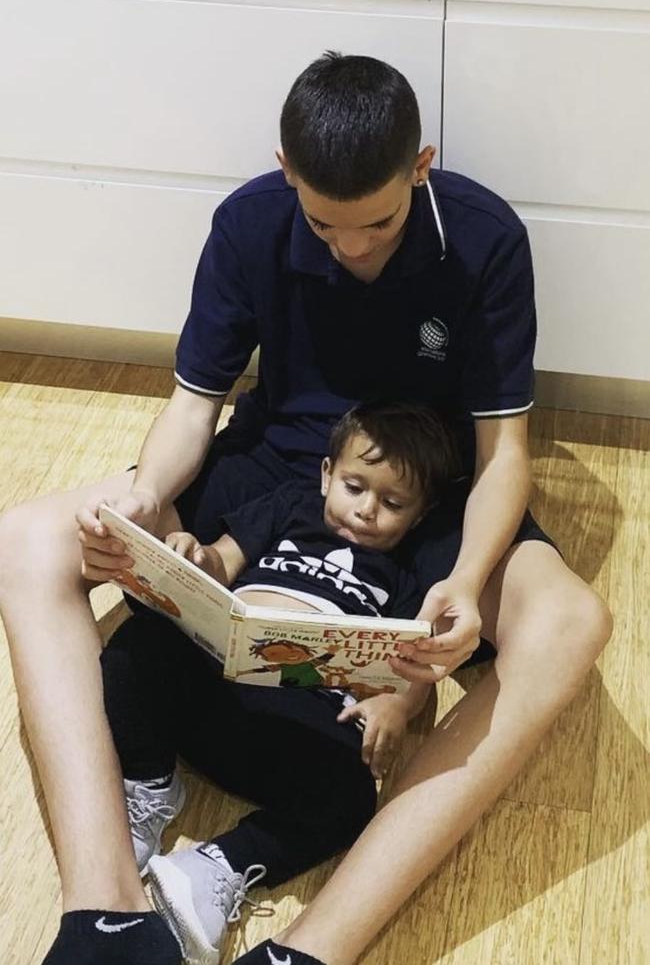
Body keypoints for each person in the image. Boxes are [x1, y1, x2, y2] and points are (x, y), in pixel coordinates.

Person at [0, 51, 612, 965]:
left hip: (434, 486)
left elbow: (503, 452)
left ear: (422, 166)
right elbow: (194, 406)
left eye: (378, 223)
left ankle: (312, 950)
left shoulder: (485, 240)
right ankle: (106, 913)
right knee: (25, 537)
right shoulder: (248, 222)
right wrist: (146, 495)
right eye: (326, 225)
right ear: (287, 176)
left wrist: (466, 578)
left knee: (573, 622)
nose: (354, 246)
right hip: (282, 457)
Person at [100, 401, 457, 965]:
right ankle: (149, 782)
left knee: (354, 796)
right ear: (325, 475)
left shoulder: (413, 569)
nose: (366, 511)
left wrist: (397, 706)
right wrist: (192, 558)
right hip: (214, 684)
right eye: (354, 486)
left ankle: (218, 866)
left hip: (299, 724)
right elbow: (222, 559)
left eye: (392, 503)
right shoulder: (291, 506)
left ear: (420, 513)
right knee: (135, 646)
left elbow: (412, 664)